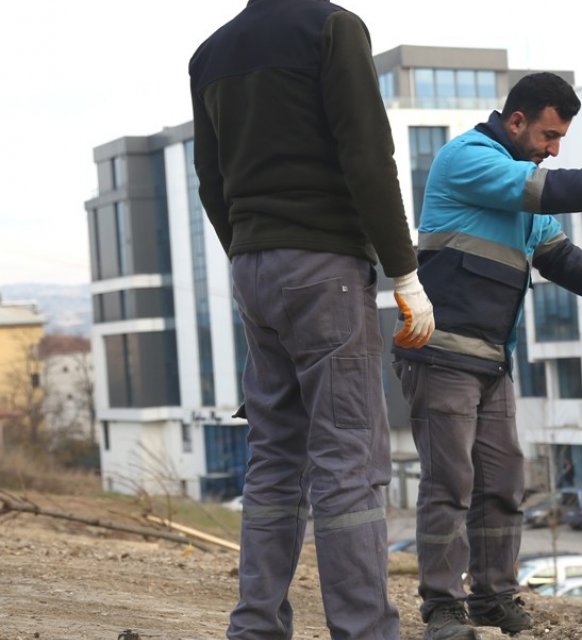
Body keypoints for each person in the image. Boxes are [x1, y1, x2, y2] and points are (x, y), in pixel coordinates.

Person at [391, 71, 582, 640]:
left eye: (560, 141)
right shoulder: (469, 160)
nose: (553, 150)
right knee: (449, 485)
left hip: (491, 360)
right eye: (549, 136)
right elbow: (544, 191)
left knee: (502, 484)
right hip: (443, 355)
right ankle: (443, 609)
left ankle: (493, 598)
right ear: (516, 120)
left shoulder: (518, 179)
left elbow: (554, 252)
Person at [189, 2, 434, 638]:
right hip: (324, 265)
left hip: (253, 267)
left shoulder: (212, 53)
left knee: (274, 457)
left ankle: (256, 627)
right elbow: (367, 153)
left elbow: (210, 183)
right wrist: (404, 273)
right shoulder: (332, 28)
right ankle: (363, 630)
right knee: (347, 457)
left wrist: (251, 250)